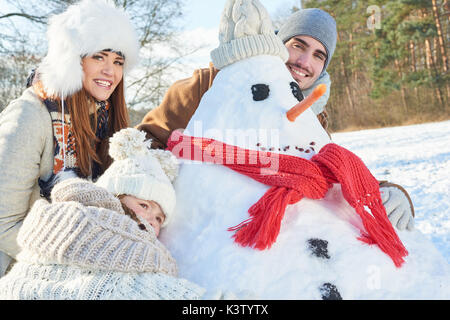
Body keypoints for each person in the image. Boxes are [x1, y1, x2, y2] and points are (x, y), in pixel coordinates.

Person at [137, 8, 414, 232]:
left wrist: (389, 192)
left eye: (319, 55)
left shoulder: (313, 116)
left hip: (273, 237)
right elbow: (144, 142)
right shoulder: (211, 84)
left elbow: (330, 175)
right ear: (279, 45)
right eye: (298, 45)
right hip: (201, 230)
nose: (305, 61)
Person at [0, 0, 140, 277]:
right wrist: (70, 265)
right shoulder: (30, 115)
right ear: (72, 60)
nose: (110, 72)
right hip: (29, 272)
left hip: (88, 273)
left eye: (118, 61)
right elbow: (4, 222)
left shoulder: (108, 124)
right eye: (98, 57)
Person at [0, 127, 209, 299]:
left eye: (159, 218)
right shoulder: (117, 260)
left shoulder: (55, 230)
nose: (151, 221)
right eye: (144, 205)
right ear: (114, 196)